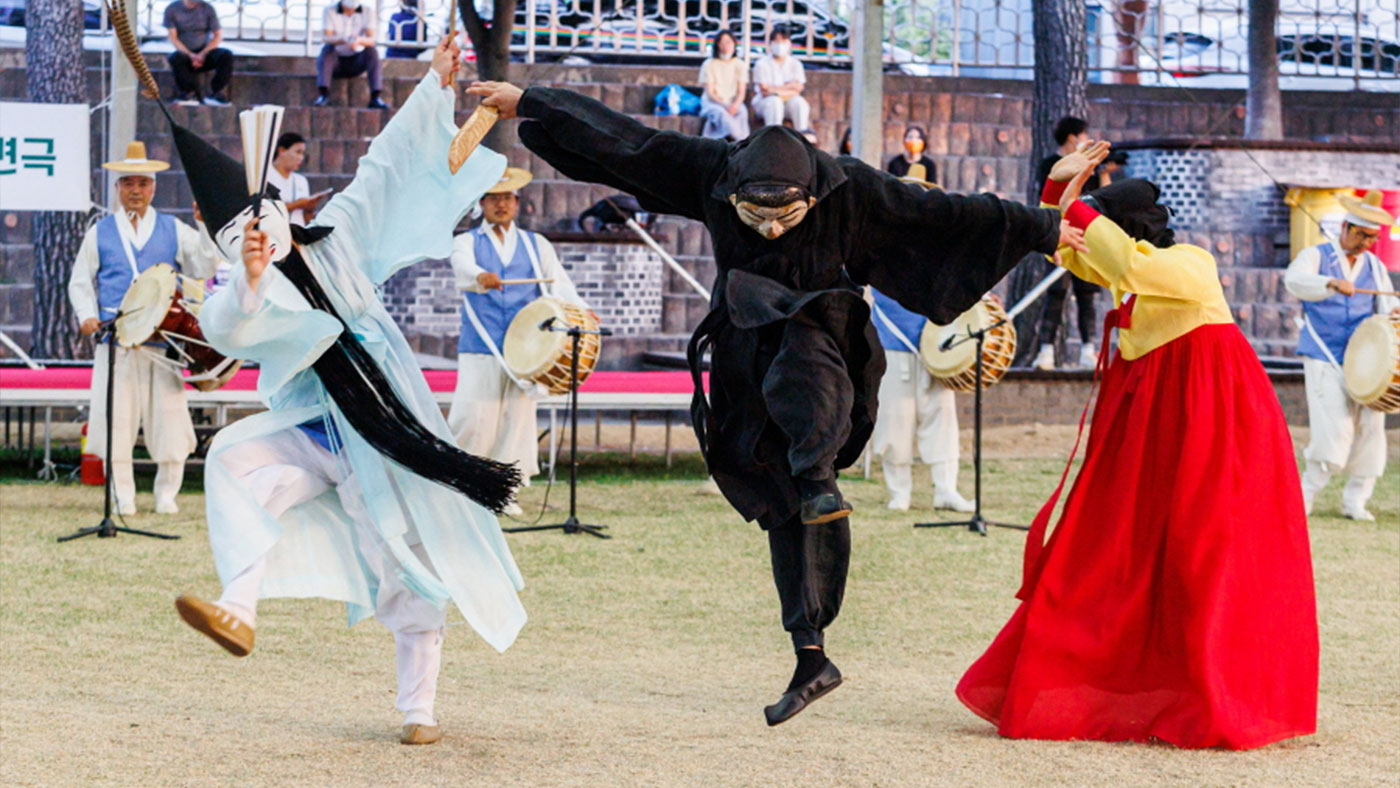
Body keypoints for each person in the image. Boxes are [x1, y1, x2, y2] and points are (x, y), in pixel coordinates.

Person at [466, 78, 1081, 726]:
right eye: (753, 215)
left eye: (785, 215)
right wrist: (530, 101)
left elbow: (949, 215)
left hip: (828, 348)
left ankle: (818, 476)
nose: (769, 226)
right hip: (745, 363)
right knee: (782, 508)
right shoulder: (713, 171)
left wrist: (1045, 226)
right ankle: (811, 652)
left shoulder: (852, 188)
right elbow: (630, 143)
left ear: (812, 195)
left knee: (799, 336)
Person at [166, 38, 526, 746]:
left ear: (280, 212)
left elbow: (386, 168)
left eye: (258, 221)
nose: (255, 236)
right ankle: (238, 607)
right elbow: (231, 325)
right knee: (239, 467)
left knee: (404, 559)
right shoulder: (238, 288)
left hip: (384, 424)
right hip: (313, 429)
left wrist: (431, 84)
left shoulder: (339, 239)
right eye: (238, 234)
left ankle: (418, 710)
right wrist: (248, 276)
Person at [957, 145, 1318, 750]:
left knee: (1205, 552)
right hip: (1152, 420)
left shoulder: (1189, 263)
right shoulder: (1127, 271)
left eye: (1106, 225)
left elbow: (1118, 257)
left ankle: (1215, 694)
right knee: (1120, 547)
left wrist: (1081, 207)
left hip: (1213, 422)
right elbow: (1066, 247)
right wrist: (1056, 194)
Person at [66, 141, 224, 515]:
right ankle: (122, 496)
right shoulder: (100, 232)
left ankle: (166, 495)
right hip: (116, 341)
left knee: (169, 419)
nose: (135, 190)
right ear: (118, 188)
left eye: (142, 183)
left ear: (152, 188)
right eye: (127, 183)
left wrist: (203, 226)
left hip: (162, 342)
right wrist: (86, 315)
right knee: (116, 420)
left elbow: (203, 266)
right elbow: (80, 281)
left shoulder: (172, 228)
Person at [447, 167, 587, 516]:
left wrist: (581, 311)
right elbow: (462, 268)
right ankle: (465, 484)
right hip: (482, 343)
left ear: (517, 203)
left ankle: (505, 491)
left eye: (507, 198)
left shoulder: (535, 244)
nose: (501, 204)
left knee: (518, 418)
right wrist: (480, 275)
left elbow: (559, 284)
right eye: (494, 198)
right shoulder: (467, 242)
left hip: (527, 347)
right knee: (475, 415)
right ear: (482, 203)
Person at [1284, 189, 1398, 521]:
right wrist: (1330, 282)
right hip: (1324, 354)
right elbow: (1295, 281)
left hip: (1365, 359)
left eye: (1372, 237)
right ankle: (1305, 494)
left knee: (1371, 428)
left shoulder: (1373, 265)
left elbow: (1384, 304)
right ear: (1346, 227)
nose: (1365, 242)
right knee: (1334, 429)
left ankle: (1355, 501)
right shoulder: (1315, 256)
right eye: (1361, 234)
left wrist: (1394, 311)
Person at [868, 287, 972, 512]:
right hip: (891, 341)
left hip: (939, 341)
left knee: (942, 418)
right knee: (894, 423)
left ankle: (946, 491)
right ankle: (899, 492)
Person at [1031, 116, 1103, 370]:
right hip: (1058, 232)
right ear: (1073, 137)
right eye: (1083, 134)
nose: (1085, 139)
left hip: (1084, 234)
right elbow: (1049, 193)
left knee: (1086, 295)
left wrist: (1102, 172)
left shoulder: (1090, 167)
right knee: (1055, 292)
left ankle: (1088, 351)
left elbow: (1098, 198)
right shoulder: (1049, 164)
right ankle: (1046, 352)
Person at [316, 0, 388, 109]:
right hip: (336, 60)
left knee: (372, 52)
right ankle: (323, 95)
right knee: (327, 50)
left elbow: (372, 39)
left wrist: (359, 41)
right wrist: (342, 39)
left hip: (357, 60)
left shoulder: (368, 11)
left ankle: (375, 97)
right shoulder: (329, 11)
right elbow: (326, 37)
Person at [163, 0, 233, 106]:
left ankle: (217, 92)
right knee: (175, 58)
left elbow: (217, 36)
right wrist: (190, 55)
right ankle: (189, 93)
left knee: (226, 55)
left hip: (205, 52)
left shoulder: (208, 9)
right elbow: (173, 37)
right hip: (185, 54)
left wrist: (203, 54)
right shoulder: (172, 9)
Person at [750, 26, 809, 131]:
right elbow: (764, 91)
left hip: (788, 102)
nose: (780, 44)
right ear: (771, 44)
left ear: (789, 43)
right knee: (775, 102)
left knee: (800, 104)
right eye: (777, 41)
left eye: (783, 41)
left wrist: (775, 90)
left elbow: (799, 88)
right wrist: (789, 86)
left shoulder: (796, 64)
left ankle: (802, 138)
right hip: (765, 102)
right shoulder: (761, 64)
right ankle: (773, 139)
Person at [697, 30, 750, 142]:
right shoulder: (709, 64)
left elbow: (741, 92)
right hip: (713, 103)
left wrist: (735, 105)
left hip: (733, 102)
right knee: (721, 114)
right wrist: (725, 105)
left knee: (742, 111)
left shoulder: (740, 65)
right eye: (722, 43)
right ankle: (741, 141)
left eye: (729, 42)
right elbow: (710, 92)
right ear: (717, 45)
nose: (726, 46)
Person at [265, 132, 323, 226]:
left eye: (303, 153)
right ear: (282, 150)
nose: (301, 158)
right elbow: (266, 210)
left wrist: (310, 208)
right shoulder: (266, 177)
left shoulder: (301, 180)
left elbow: (306, 219)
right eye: (298, 152)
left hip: (297, 235)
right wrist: (297, 204)